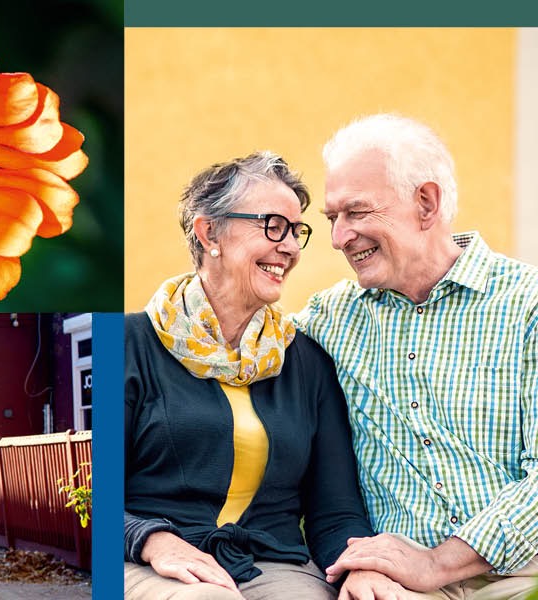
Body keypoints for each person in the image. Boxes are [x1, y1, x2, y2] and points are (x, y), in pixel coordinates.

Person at [296, 114, 538, 599]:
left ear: (426, 203)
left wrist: (438, 561)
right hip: (398, 586)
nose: (339, 238)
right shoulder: (329, 320)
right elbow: (233, 349)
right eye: (332, 218)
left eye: (357, 213)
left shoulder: (526, 304)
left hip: (522, 574)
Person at [124, 151, 377, 599]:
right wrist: (150, 539)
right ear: (209, 233)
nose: (291, 247)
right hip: (146, 558)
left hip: (274, 563)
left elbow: (335, 511)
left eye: (297, 232)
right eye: (273, 225)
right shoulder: (129, 343)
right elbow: (92, 488)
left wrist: (360, 568)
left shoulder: (307, 361)